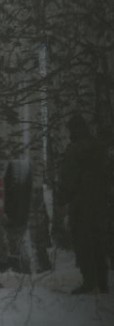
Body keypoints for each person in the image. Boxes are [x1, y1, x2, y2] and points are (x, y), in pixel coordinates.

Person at [58, 112, 110, 294]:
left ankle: (89, 282)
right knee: (99, 242)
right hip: (102, 203)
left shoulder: (74, 150)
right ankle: (103, 282)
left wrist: (62, 198)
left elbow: (69, 179)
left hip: (81, 204)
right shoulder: (99, 147)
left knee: (83, 243)